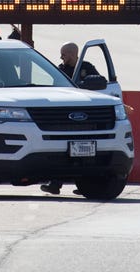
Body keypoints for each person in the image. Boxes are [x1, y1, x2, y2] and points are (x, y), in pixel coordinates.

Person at [41, 41, 99, 196]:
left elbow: (99, 83)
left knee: (86, 156)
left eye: (64, 54)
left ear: (73, 54)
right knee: (60, 152)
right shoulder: (60, 70)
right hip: (65, 117)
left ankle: (86, 186)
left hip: (85, 118)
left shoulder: (86, 68)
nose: (61, 57)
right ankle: (55, 184)